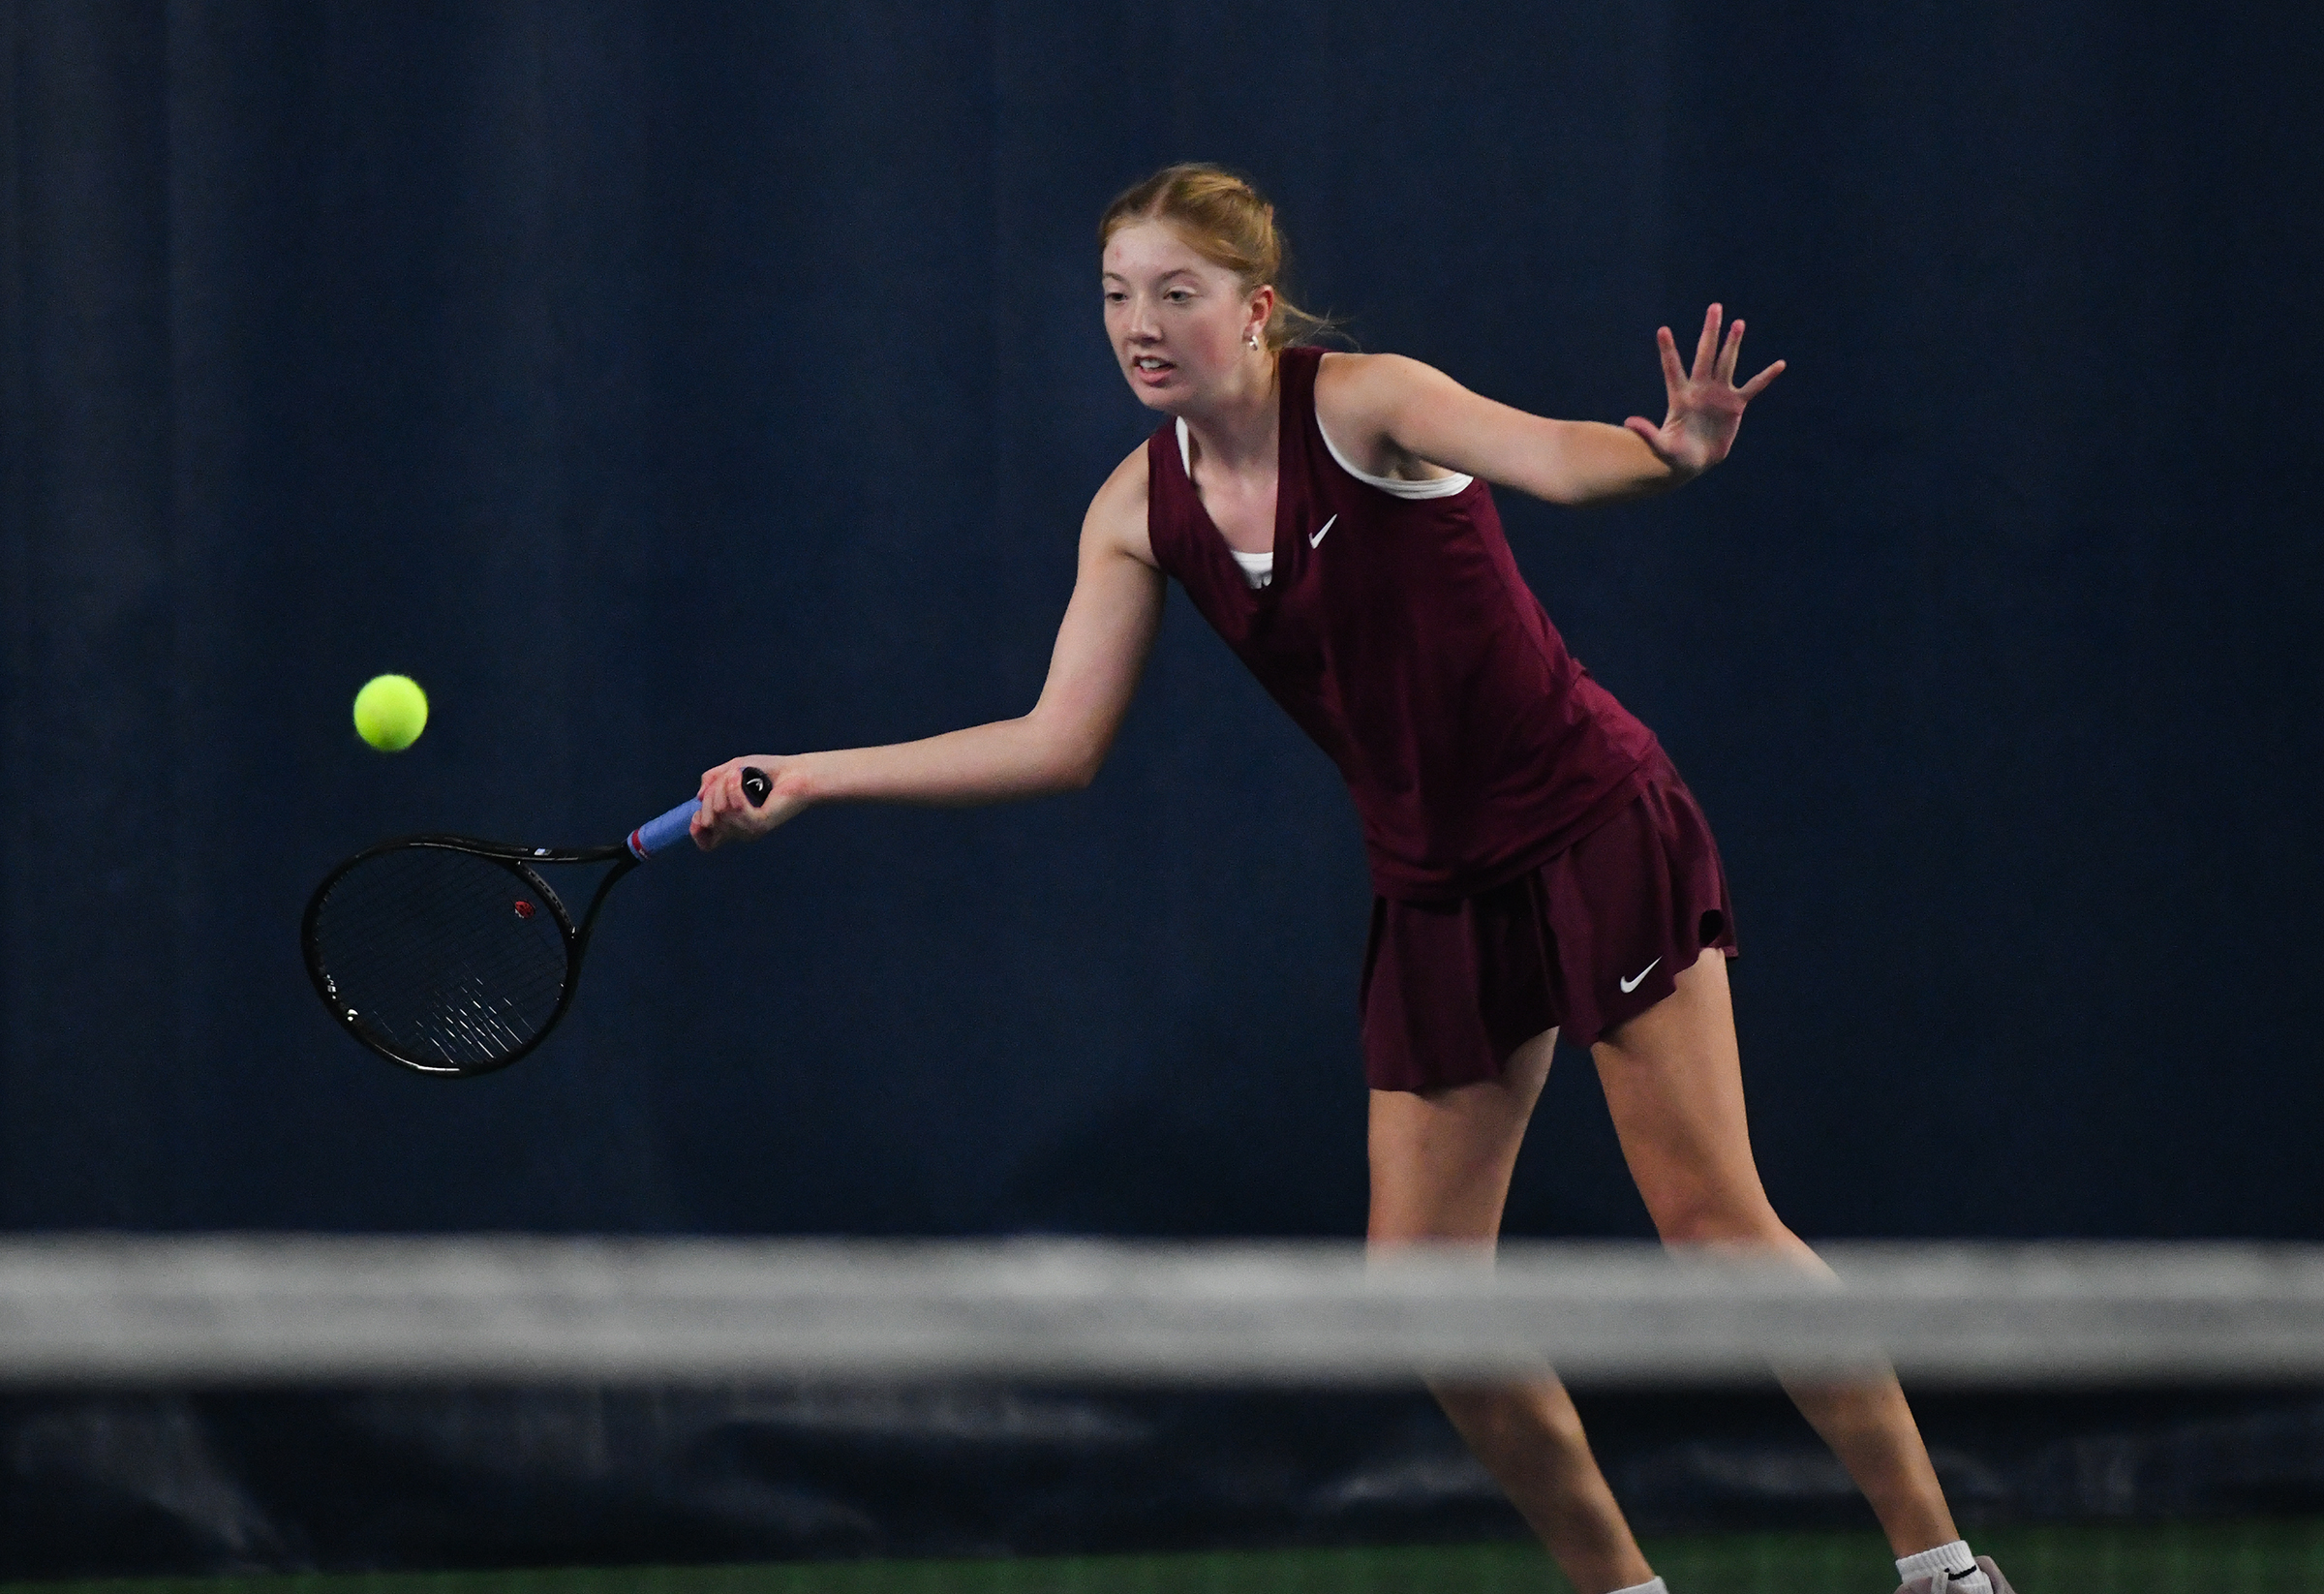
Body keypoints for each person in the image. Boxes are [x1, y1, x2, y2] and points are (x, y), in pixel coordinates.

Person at [689, 163, 2011, 1594]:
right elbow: (1056, 741)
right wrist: (815, 773)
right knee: (1425, 1302)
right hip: (1434, 886)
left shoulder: (1368, 401)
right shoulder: (1135, 509)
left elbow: (1562, 459)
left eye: (1175, 295)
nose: (1140, 324)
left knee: (1711, 1223)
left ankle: (1942, 1566)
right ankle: (1626, 1591)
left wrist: (1675, 454)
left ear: (1254, 308)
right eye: (1117, 297)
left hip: (1588, 825)